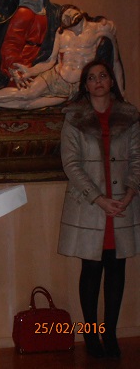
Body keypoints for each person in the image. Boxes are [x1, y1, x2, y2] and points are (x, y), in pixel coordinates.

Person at [58, 60, 140, 359]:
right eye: (91, 78)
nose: (98, 82)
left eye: (102, 76)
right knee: (91, 270)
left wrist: (131, 192)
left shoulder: (129, 116)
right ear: (85, 85)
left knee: (117, 270)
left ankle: (111, 334)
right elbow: (71, 163)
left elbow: (137, 156)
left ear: (111, 81)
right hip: (90, 207)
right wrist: (98, 198)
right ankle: (92, 335)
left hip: (122, 205)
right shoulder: (74, 118)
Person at [0, 5, 124, 112]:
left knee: (27, 104)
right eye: (64, 17)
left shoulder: (101, 29)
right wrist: (30, 71)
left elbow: (115, 62)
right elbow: (50, 61)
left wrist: (122, 94)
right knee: (26, 94)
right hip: (57, 77)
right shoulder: (62, 34)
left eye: (70, 13)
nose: (68, 17)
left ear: (79, 11)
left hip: (74, 88)